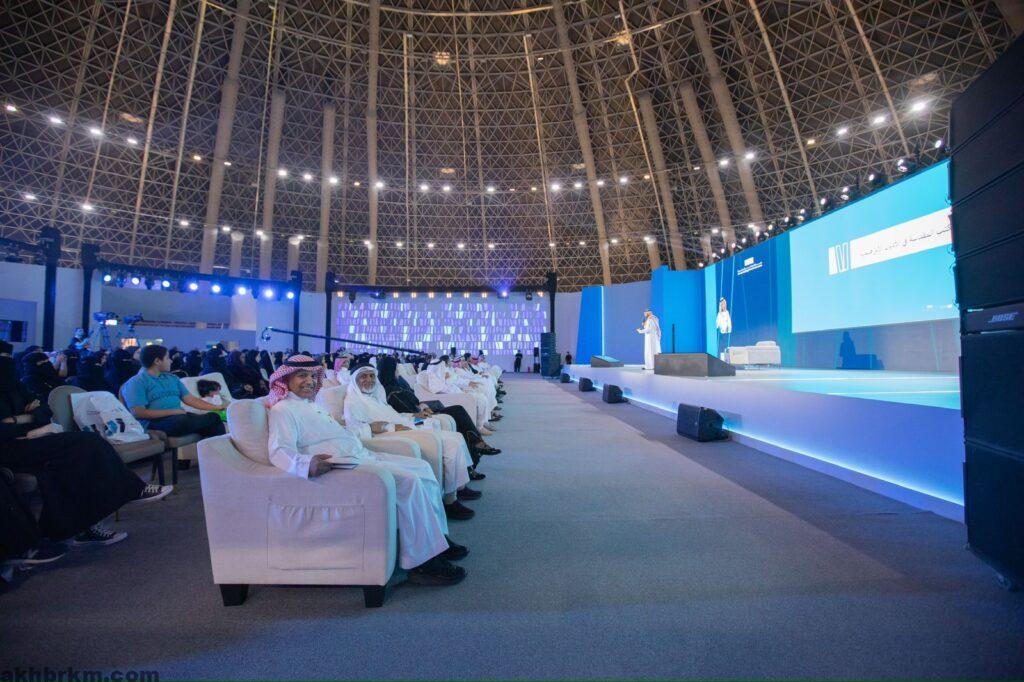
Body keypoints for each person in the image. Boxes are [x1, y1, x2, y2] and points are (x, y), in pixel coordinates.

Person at [266, 355, 467, 585]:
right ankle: (423, 562)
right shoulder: (283, 410)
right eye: (302, 376)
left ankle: (438, 540)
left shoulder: (311, 406)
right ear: (286, 380)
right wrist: (306, 464)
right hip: (341, 467)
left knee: (422, 468)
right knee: (409, 481)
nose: (310, 381)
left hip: (359, 455)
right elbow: (278, 450)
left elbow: (341, 432)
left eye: (312, 376)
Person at [344, 365, 480, 519]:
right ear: (354, 380)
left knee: (456, 437)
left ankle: (459, 487)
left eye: (371, 376)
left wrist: (412, 416)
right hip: (392, 436)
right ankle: (450, 501)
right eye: (363, 376)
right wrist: (389, 427)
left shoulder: (376, 397)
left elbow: (393, 415)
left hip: (406, 428)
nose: (369, 380)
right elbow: (356, 430)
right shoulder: (352, 402)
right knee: (452, 444)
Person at [376, 357, 498, 480]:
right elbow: (402, 410)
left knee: (458, 412)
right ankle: (476, 446)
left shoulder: (399, 382)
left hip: (423, 409)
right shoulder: (388, 390)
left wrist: (423, 406)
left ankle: (475, 447)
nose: (398, 371)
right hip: (416, 418)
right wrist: (419, 411)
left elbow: (415, 399)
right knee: (457, 411)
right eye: (396, 369)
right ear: (390, 370)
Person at [123, 345, 225, 438]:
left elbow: (190, 399)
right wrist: (173, 411)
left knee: (214, 418)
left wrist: (217, 407)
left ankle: (212, 451)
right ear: (157, 361)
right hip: (154, 423)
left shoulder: (172, 378)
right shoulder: (137, 382)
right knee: (185, 421)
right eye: (168, 358)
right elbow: (138, 413)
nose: (171, 361)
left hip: (178, 417)